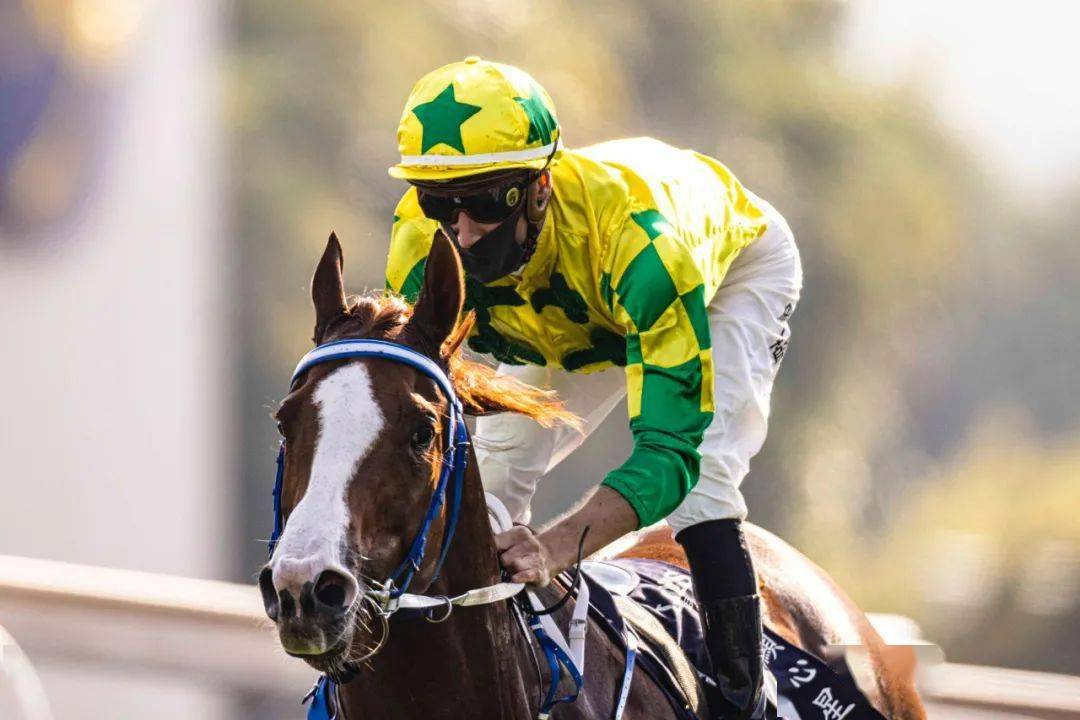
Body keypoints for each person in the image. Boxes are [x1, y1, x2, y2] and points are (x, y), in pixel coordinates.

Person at [384, 57, 801, 720]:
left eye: (485, 203)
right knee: (489, 485)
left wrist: (553, 548)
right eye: (439, 203)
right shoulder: (418, 245)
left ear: (539, 189)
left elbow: (669, 457)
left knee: (705, 488)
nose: (458, 231)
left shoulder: (644, 252)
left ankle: (745, 704)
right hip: (575, 312)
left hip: (723, 278)